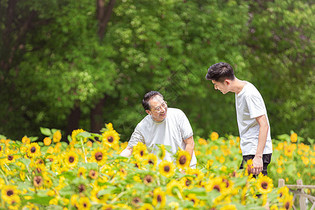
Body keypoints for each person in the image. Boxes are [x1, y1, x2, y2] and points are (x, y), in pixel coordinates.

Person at [205, 62, 272, 176]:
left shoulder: (249, 94)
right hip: (250, 150)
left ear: (226, 82)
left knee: (251, 192)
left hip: (256, 152)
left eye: (216, 85)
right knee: (245, 190)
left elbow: (264, 125)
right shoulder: (240, 92)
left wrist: (258, 157)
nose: (216, 88)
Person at [120, 91, 197, 168]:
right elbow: (130, 149)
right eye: (157, 108)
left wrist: (184, 168)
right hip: (160, 173)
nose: (163, 110)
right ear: (148, 112)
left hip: (185, 168)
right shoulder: (142, 126)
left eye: (163, 104)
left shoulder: (178, 115)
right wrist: (116, 161)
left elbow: (189, 143)